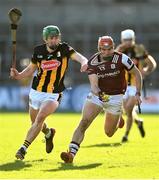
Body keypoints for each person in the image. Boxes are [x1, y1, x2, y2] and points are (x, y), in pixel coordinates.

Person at [10, 25, 88, 160]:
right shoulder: (38, 51)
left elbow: (79, 57)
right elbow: (30, 70)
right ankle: (48, 133)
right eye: (51, 38)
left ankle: (23, 148)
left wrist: (84, 62)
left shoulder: (64, 49)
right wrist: (18, 75)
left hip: (53, 94)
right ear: (45, 39)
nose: (54, 40)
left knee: (40, 118)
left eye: (56, 37)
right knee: (36, 123)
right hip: (35, 92)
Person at [60, 35, 142, 163]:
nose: (106, 52)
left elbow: (136, 73)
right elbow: (93, 85)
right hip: (98, 96)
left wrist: (138, 93)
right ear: (99, 48)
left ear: (113, 48)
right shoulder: (92, 62)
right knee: (84, 122)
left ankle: (119, 117)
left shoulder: (122, 59)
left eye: (109, 49)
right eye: (103, 49)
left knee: (109, 133)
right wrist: (98, 93)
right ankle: (71, 154)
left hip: (115, 98)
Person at [116, 29, 157, 143]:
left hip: (135, 84)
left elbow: (152, 63)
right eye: (125, 40)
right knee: (128, 111)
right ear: (122, 40)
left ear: (133, 39)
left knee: (128, 109)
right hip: (123, 84)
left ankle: (126, 135)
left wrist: (145, 71)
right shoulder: (119, 50)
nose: (128, 42)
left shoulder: (138, 49)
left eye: (130, 40)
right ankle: (138, 122)